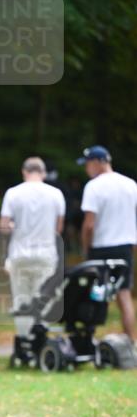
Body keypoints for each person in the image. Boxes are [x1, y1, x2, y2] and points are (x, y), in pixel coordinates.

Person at [0, 157, 65, 354]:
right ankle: (40, 343)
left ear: (24, 172)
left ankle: (23, 343)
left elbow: (3, 227)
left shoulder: (13, 193)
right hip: (45, 254)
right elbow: (58, 229)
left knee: (21, 299)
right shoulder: (56, 194)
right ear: (43, 173)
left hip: (19, 255)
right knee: (42, 300)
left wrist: (13, 227)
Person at [79, 145, 137, 344]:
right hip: (124, 247)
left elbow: (89, 224)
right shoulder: (130, 185)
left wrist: (86, 248)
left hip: (101, 247)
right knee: (124, 294)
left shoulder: (94, 186)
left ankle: (88, 339)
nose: (86, 169)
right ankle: (132, 342)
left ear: (98, 162)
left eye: (87, 164)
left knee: (93, 294)